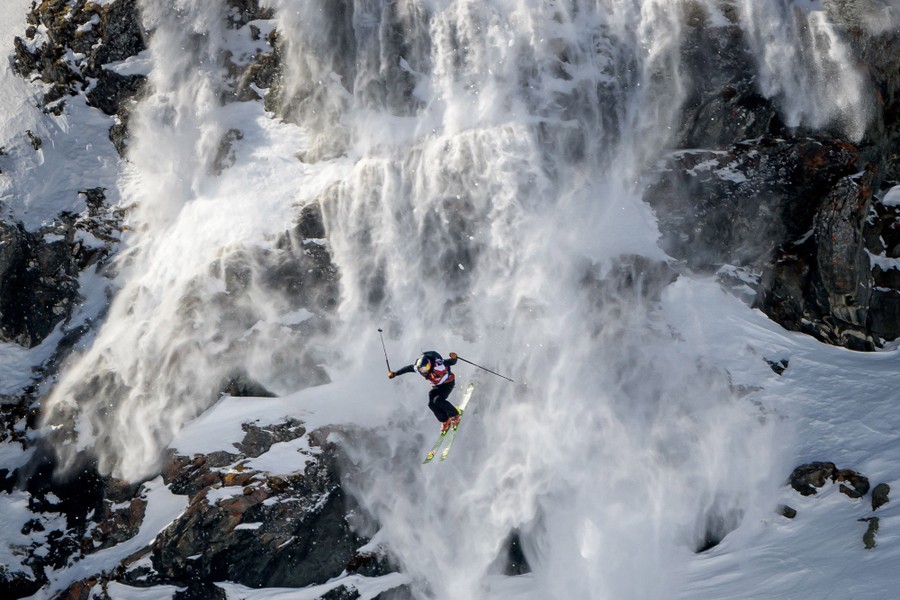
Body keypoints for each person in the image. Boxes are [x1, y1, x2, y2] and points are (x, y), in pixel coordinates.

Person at [388, 350, 461, 433]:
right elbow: (408, 368)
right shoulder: (419, 368)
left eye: (425, 368)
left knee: (438, 400)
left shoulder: (438, 365)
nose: (423, 371)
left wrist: (454, 357)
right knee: (431, 404)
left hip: (447, 383)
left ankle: (455, 415)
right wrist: (395, 374)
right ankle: (445, 420)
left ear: (429, 364)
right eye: (421, 369)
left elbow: (451, 362)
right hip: (438, 386)